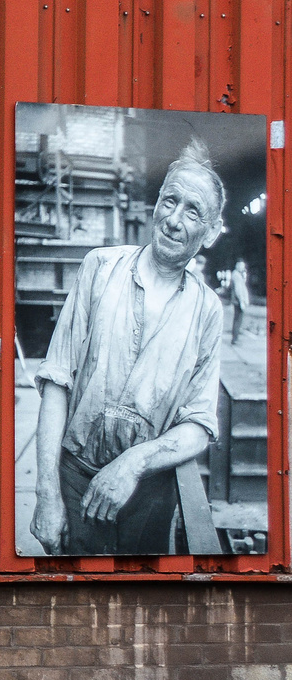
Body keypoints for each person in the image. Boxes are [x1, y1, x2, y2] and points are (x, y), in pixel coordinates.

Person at [29, 139, 227, 555]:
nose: (174, 220)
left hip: (149, 498)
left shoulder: (207, 310)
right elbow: (57, 383)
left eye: (193, 211)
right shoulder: (100, 268)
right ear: (156, 204)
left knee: (139, 611)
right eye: (169, 201)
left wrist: (133, 462)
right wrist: (47, 494)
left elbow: (199, 425)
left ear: (209, 233)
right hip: (74, 480)